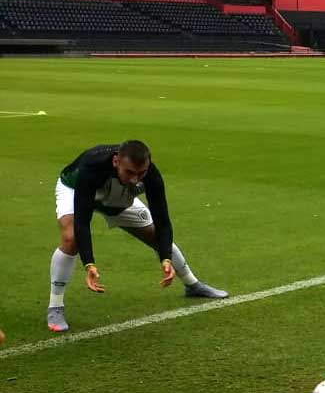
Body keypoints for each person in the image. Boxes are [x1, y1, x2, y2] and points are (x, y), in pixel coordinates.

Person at [47, 140, 228, 333]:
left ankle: (193, 285)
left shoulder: (150, 175)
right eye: (130, 173)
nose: (136, 179)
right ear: (116, 162)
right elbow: (82, 220)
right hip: (75, 189)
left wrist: (165, 257)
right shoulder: (93, 165)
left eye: (141, 173)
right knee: (71, 237)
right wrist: (89, 263)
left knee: (155, 235)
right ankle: (55, 306)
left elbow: (163, 220)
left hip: (118, 193)